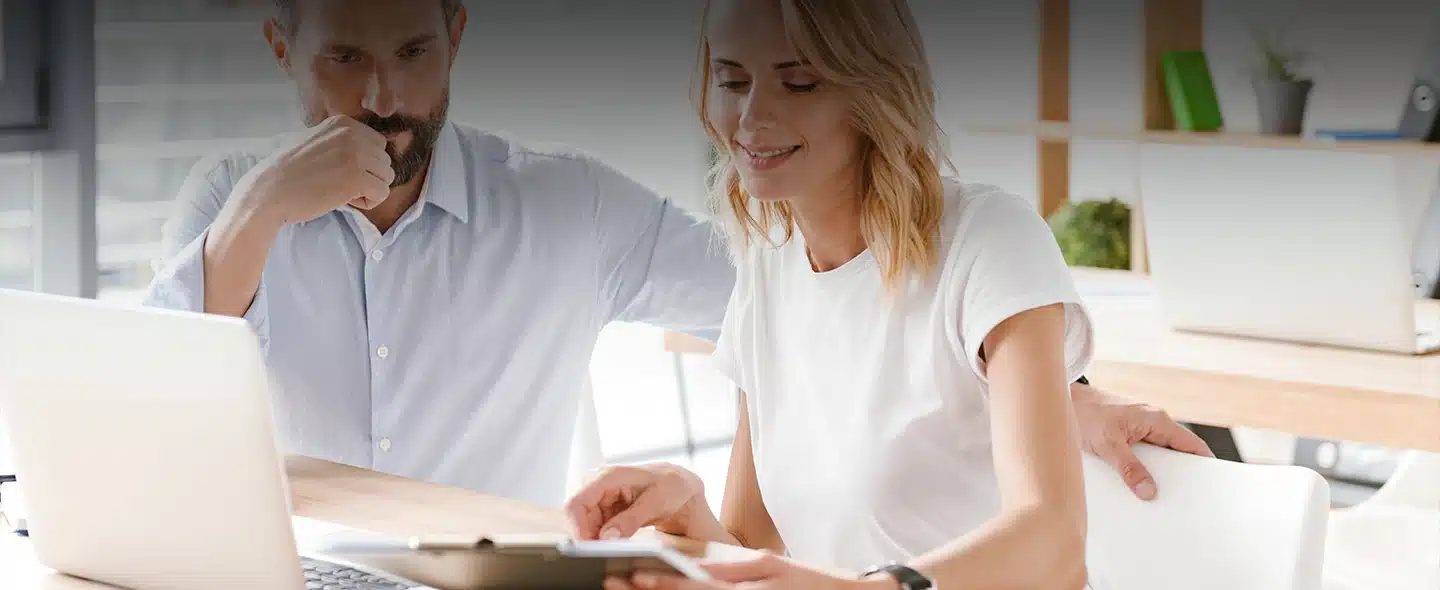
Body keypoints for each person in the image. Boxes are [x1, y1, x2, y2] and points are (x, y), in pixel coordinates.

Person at [143, 0, 1208, 511]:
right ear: (281, 45)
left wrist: (1049, 390)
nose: (382, 98)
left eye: (413, 53)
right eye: (343, 60)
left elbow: (833, 297)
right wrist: (259, 215)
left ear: (457, 34)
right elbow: (149, 416)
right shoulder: (227, 208)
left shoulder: (563, 206)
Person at [564, 1, 1129, 588]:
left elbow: (1054, 546)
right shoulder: (768, 264)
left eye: (799, 82)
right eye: (732, 81)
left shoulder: (991, 242)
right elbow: (751, 549)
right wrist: (688, 507)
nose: (752, 117)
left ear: (875, 92)